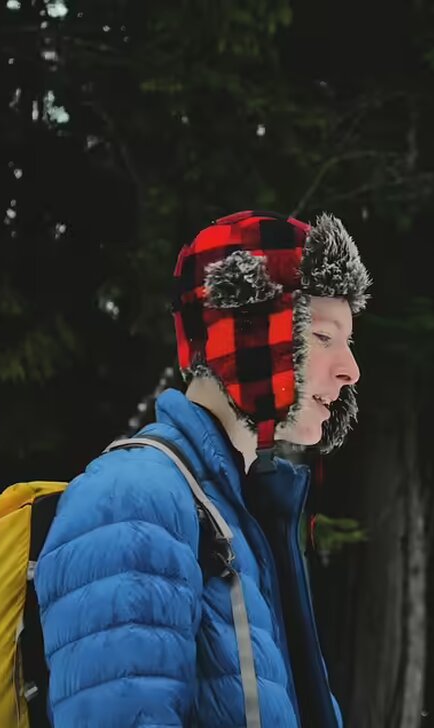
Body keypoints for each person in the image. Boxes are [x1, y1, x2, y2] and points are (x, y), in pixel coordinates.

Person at [33, 210, 370, 727]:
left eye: (348, 342)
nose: (351, 370)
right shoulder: (135, 499)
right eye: (324, 336)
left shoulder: (241, 514)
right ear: (246, 327)